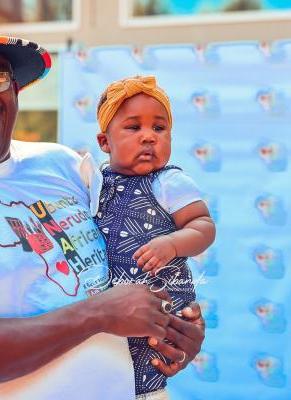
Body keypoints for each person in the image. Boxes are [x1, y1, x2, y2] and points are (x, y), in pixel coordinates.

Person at [0, 2, 205, 399]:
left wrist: (175, 328)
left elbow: (123, 262)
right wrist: (98, 315)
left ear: (14, 90)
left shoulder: (62, 165)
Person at [89, 75, 216, 399]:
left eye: (159, 129)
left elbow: (203, 225)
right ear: (105, 142)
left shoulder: (169, 182)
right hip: (112, 307)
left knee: (149, 372)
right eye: (134, 128)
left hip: (162, 303)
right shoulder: (95, 182)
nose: (149, 137)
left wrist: (172, 244)